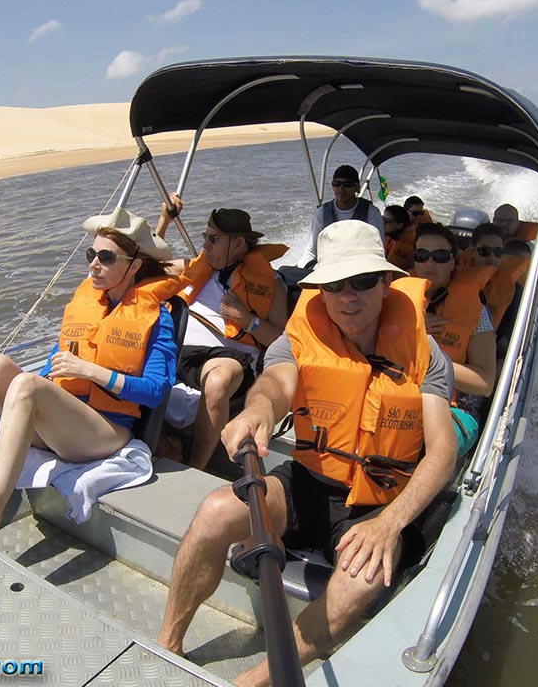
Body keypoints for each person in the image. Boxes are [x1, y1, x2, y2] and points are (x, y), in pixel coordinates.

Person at [157, 221, 457, 687]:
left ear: (385, 282)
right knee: (216, 511)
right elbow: (276, 384)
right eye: (335, 286)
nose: (348, 296)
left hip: (377, 503)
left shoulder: (426, 353)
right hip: (309, 482)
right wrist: (256, 409)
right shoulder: (299, 337)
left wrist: (390, 523)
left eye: (361, 283)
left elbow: (441, 452)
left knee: (360, 581)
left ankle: (251, 681)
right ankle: (168, 645)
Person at [0, 209, 179, 543]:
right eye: (90, 254)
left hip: (106, 430)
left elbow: (157, 391)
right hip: (64, 422)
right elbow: (55, 369)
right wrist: (43, 379)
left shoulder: (157, 317)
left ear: (134, 266)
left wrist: (91, 372)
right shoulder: (87, 304)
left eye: (106, 257)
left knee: (26, 386)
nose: (93, 264)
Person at [154, 194, 289, 471]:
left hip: (227, 359)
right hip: (177, 347)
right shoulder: (198, 265)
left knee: (216, 381)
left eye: (213, 239)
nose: (205, 244)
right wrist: (163, 221)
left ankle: (196, 467)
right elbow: (149, 265)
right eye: (205, 236)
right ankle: (163, 445)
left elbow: (281, 342)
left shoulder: (271, 283)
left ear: (238, 243)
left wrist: (246, 319)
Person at [412, 222, 497, 452]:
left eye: (440, 256)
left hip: (455, 408)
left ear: (452, 261)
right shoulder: (397, 303)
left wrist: (421, 349)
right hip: (403, 397)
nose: (430, 262)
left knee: (415, 442)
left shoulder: (475, 312)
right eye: (422, 255)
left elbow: (485, 383)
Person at [300, 164, 384, 266]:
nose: (341, 189)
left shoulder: (371, 212)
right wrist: (303, 267)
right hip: (329, 265)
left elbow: (379, 249)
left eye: (347, 184)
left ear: (357, 188)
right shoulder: (322, 213)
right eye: (337, 184)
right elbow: (312, 250)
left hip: (360, 265)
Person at [382, 203, 415, 271]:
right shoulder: (382, 236)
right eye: (382, 218)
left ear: (399, 225)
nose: (383, 223)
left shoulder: (403, 246)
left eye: (387, 221)